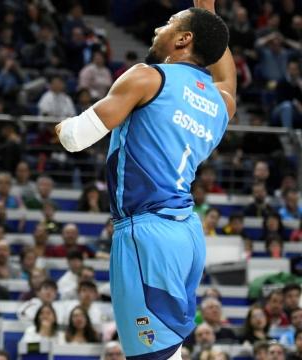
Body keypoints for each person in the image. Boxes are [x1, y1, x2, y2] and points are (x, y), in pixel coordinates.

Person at [55, 1, 236, 358]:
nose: (158, 29)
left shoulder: (148, 77)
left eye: (168, 23)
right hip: (187, 235)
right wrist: (210, 14)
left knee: (152, 355)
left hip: (146, 234)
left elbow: (74, 138)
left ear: (184, 39)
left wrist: (59, 125)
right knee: (169, 352)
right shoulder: (222, 101)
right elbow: (226, 75)